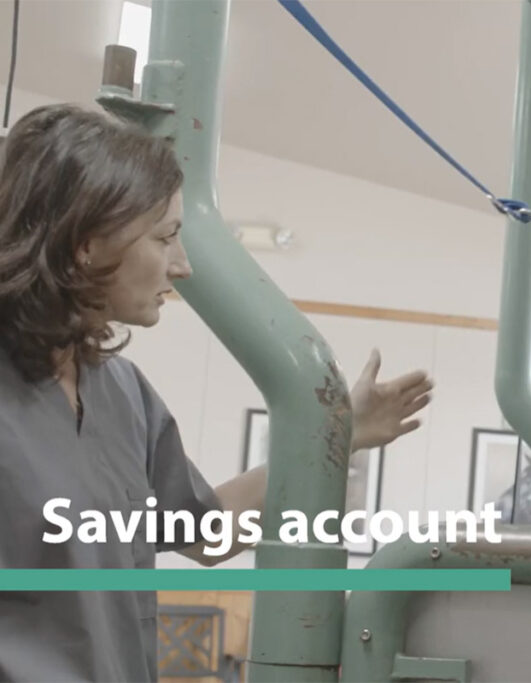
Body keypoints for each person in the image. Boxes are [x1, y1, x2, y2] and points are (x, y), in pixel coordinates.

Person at [0, 103, 433, 682]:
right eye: (166, 238)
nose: (181, 266)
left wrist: (337, 434)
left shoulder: (121, 394)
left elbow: (207, 533)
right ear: (86, 242)